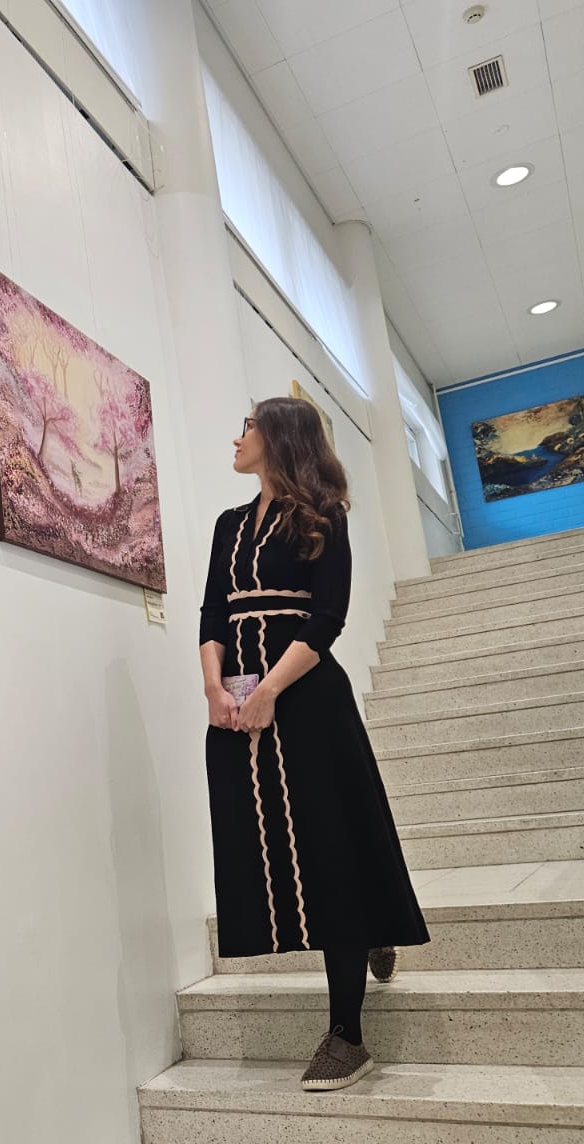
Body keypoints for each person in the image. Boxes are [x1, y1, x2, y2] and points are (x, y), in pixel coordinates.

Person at [199, 396, 429, 1093]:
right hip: (235, 709)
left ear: (279, 436)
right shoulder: (228, 524)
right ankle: (369, 928)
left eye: (246, 426)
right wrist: (216, 689)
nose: (236, 437)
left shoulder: (324, 515)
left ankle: (348, 1035)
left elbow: (328, 616)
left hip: (305, 702)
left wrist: (269, 689)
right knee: (264, 845)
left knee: (331, 846)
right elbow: (212, 611)